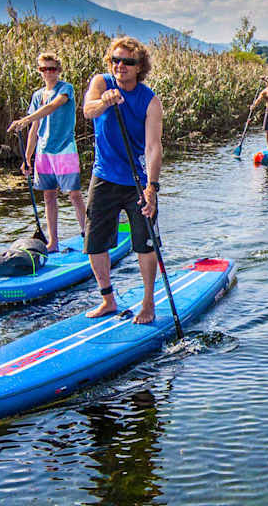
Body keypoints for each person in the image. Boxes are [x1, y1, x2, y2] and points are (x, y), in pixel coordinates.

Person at [81, 37, 164, 325]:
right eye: (115, 60)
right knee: (94, 242)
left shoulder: (150, 101)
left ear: (139, 66)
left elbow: (154, 147)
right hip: (103, 176)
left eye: (127, 61)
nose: (120, 66)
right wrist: (103, 102)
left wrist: (152, 187)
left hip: (137, 180)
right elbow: (87, 110)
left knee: (145, 243)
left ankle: (148, 302)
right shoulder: (101, 83)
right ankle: (107, 299)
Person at [8, 52, 85, 253]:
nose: (48, 72)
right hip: (44, 153)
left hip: (65, 149)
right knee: (48, 197)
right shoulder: (37, 96)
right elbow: (35, 127)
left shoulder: (66, 89)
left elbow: (52, 106)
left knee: (74, 195)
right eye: (43, 69)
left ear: (58, 70)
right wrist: (27, 157)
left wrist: (22, 121)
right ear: (39, 71)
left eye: (51, 68)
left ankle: (88, 235)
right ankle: (53, 242)